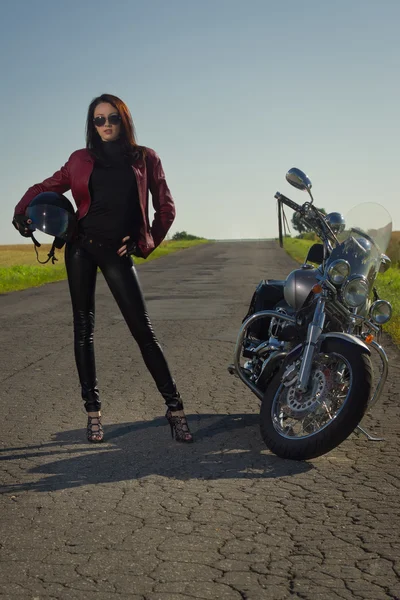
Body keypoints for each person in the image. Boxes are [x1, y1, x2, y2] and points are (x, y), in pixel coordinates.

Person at [12, 93, 193, 444]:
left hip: (117, 252)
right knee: (83, 330)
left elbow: (166, 208)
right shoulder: (80, 159)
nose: (106, 125)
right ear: (91, 124)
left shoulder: (145, 158)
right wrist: (22, 211)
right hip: (80, 249)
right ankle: (93, 415)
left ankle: (175, 410)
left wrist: (146, 243)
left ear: (124, 120)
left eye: (112, 118)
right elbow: (42, 188)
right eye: (99, 119)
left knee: (144, 332)